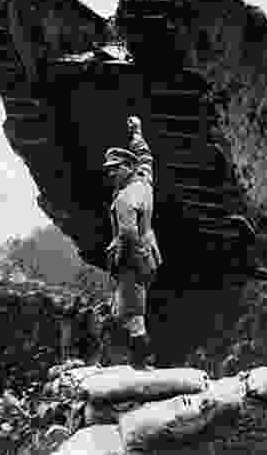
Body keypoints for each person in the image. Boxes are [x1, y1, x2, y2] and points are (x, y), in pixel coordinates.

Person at [103, 116, 162, 368]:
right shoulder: (144, 182)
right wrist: (137, 132)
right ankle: (140, 361)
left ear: (128, 167)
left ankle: (142, 365)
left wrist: (119, 264)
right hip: (149, 255)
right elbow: (146, 157)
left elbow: (127, 235)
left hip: (131, 261)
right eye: (109, 169)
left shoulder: (126, 198)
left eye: (115, 168)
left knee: (132, 318)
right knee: (126, 310)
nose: (110, 173)